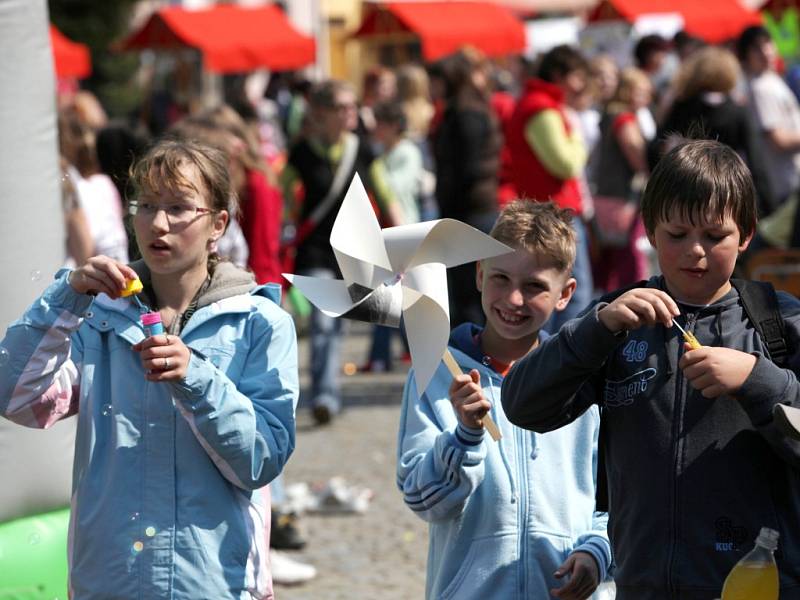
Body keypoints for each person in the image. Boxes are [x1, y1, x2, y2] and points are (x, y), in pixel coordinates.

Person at [0, 138, 299, 599]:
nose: (158, 224)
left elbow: (261, 459)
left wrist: (196, 379)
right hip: (110, 577)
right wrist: (64, 300)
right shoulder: (98, 316)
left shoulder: (259, 323)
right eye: (146, 206)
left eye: (180, 208)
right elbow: (17, 396)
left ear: (218, 224)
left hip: (213, 581)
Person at [501, 139, 800, 599]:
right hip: (643, 585)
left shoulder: (778, 323)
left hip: (756, 585)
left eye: (714, 236)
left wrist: (757, 379)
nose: (695, 252)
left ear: (745, 234)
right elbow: (523, 406)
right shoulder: (619, 320)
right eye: (677, 234)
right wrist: (594, 331)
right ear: (651, 232)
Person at [397, 200, 612, 600]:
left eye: (534, 286)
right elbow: (422, 499)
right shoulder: (434, 372)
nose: (513, 300)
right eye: (500, 279)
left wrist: (597, 551)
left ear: (564, 294)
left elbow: (616, 497)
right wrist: (463, 437)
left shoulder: (580, 379)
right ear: (479, 274)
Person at [281, 79, 374, 424]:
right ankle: (324, 394)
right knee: (323, 322)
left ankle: (328, 387)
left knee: (338, 327)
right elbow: (283, 193)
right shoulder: (302, 153)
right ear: (320, 113)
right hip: (315, 251)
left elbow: (384, 193)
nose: (351, 113)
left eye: (353, 106)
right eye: (342, 107)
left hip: (353, 252)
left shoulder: (362, 149)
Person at [506, 45, 594, 329]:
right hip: (557, 213)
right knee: (572, 294)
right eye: (577, 77)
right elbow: (566, 164)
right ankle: (561, 360)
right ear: (559, 75)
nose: (581, 85)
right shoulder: (541, 108)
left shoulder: (539, 104)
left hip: (549, 210)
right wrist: (579, 139)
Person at [591, 67, 653, 291]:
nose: (647, 97)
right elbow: (638, 157)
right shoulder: (624, 118)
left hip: (606, 197)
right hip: (621, 199)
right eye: (641, 92)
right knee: (628, 260)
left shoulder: (609, 114)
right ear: (628, 92)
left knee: (607, 263)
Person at [737, 25, 800, 209]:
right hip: (786, 185)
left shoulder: (770, 80)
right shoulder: (761, 88)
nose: (765, 51)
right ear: (746, 56)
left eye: (767, 43)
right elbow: (777, 139)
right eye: (756, 47)